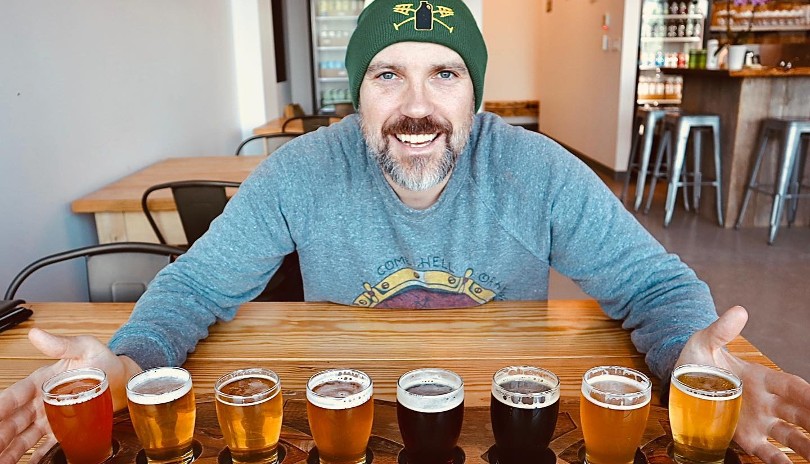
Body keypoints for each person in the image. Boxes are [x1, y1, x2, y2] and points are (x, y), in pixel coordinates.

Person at [1, 0, 808, 462]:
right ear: (358, 94)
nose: (417, 107)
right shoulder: (301, 171)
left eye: (444, 75)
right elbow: (196, 284)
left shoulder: (537, 169)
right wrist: (128, 358)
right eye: (388, 75)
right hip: (342, 429)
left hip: (508, 429)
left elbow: (655, 285)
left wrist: (690, 359)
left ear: (475, 97)